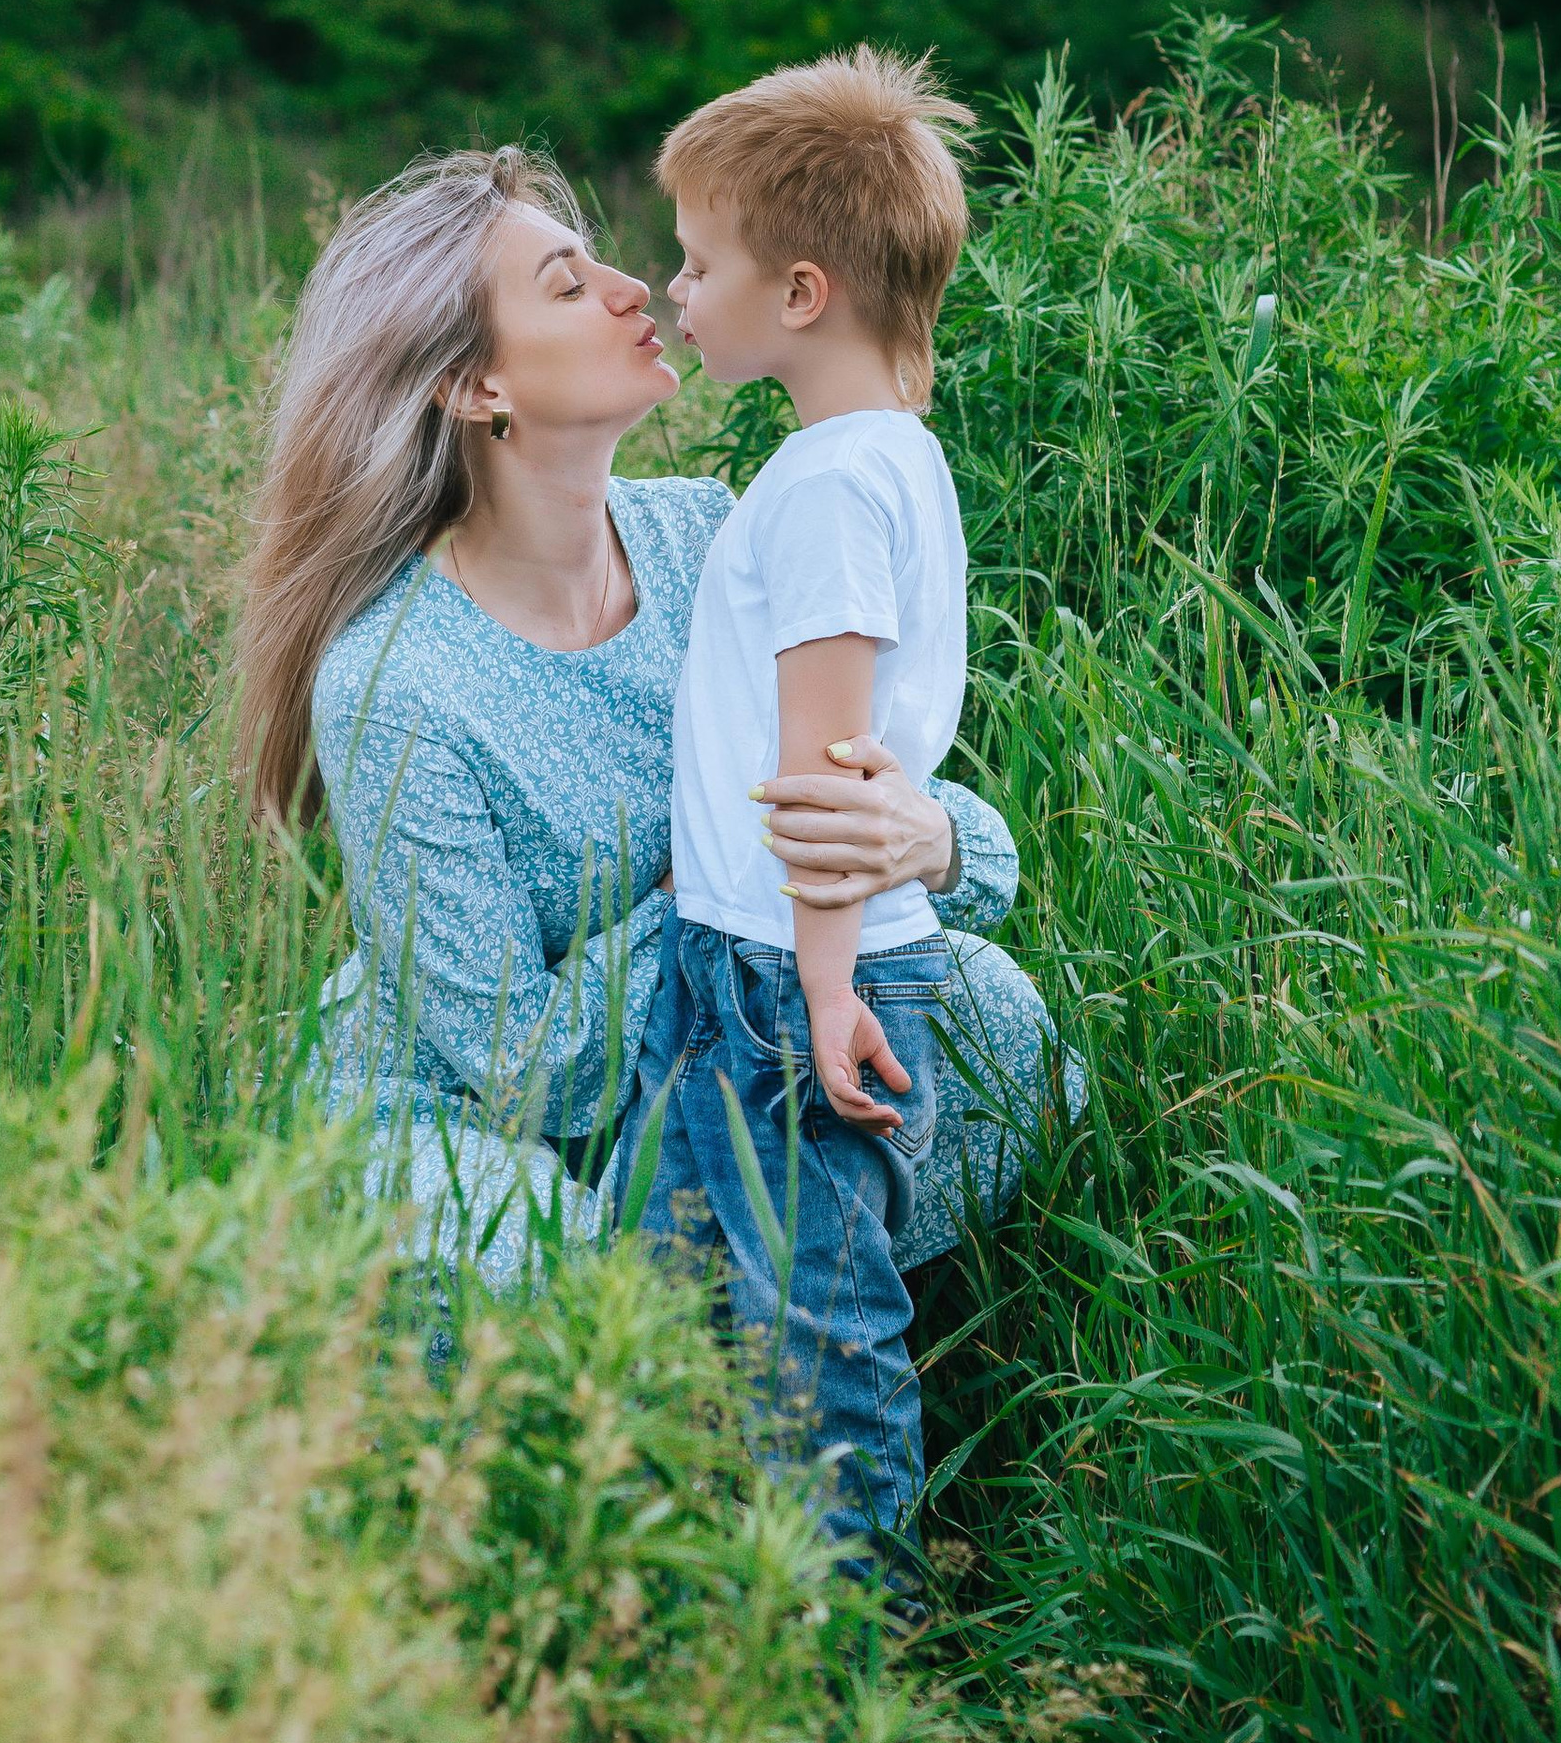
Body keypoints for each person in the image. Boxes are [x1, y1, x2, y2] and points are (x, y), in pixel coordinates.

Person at [230, 143, 1068, 1289]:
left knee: (994, 1023)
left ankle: (746, 1318)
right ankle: (699, 1333)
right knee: (525, 1260)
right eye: (568, 286)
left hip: (714, 1047)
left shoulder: (705, 536)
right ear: (477, 388)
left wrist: (933, 840)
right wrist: (709, 889)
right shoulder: (398, 683)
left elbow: (921, 845)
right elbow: (534, 1070)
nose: (636, 289)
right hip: (463, 1121)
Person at [613, 49, 983, 1572]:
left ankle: (856, 1646)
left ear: (804, 291)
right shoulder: (877, 455)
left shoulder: (830, 485)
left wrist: (826, 990)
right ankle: (707, 1601)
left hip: (789, 977)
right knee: (680, 1300)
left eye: (701, 265)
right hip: (751, 964)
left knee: (816, 1338)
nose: (675, 290)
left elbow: (830, 774)